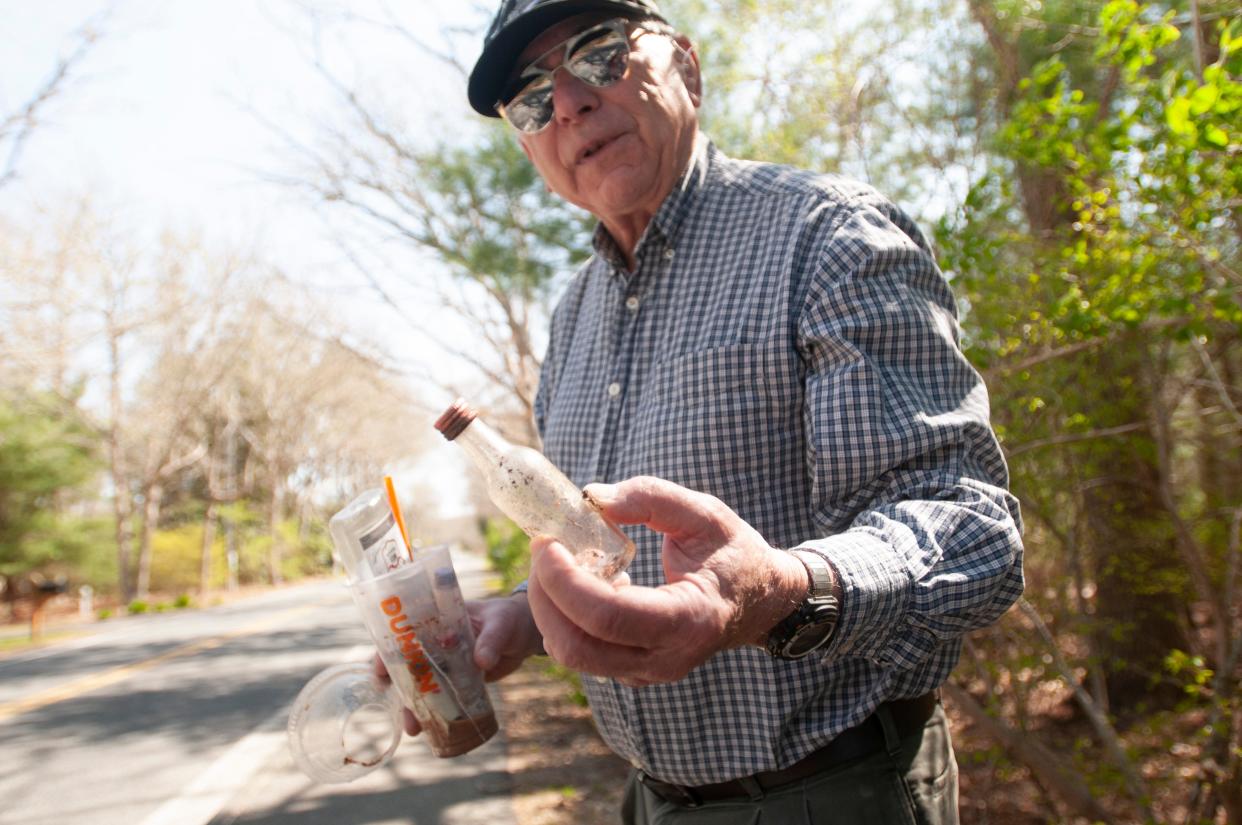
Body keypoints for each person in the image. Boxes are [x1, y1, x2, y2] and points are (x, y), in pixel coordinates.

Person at [386, 1, 1025, 821]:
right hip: (647, 800)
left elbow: (973, 530)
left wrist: (778, 593)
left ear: (685, 65)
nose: (570, 101)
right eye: (533, 99)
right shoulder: (572, 318)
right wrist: (514, 616)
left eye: (598, 53)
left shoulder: (827, 236)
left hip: (835, 789)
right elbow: (604, 554)